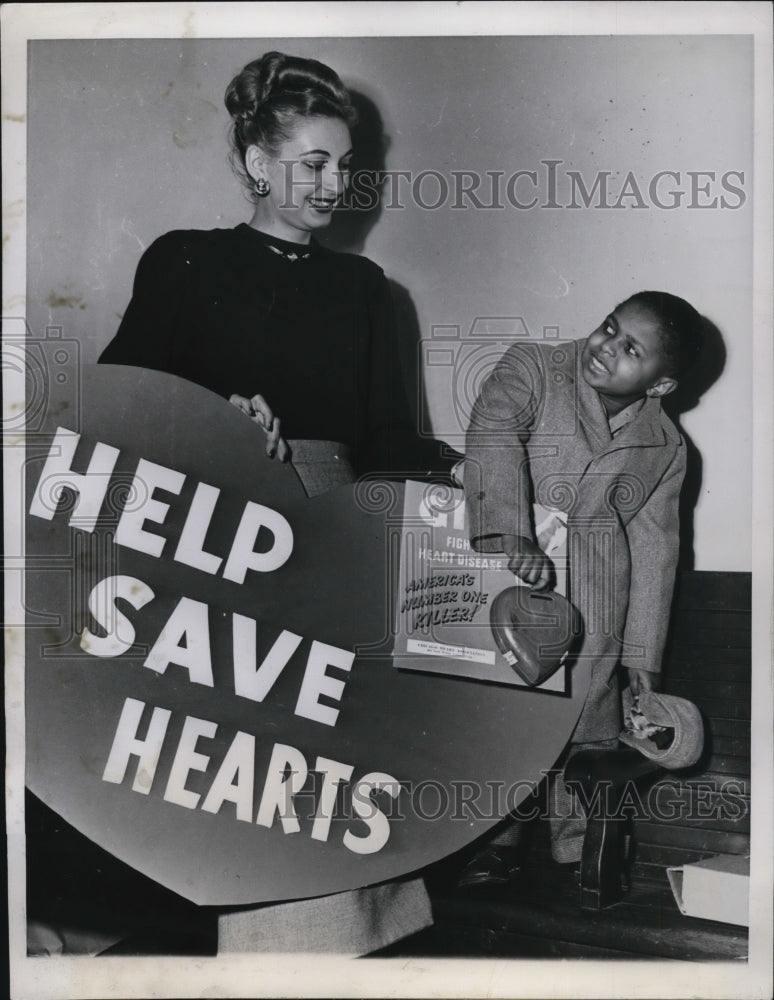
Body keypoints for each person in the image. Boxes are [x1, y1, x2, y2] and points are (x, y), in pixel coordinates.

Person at [99, 50, 433, 955]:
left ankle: (351, 943)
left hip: (337, 529)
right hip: (217, 531)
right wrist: (214, 423)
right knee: (263, 759)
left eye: (347, 163)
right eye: (313, 162)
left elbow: (388, 440)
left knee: (342, 747)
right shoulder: (182, 261)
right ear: (255, 159)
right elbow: (119, 407)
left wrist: (480, 497)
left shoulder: (367, 290)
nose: (336, 183)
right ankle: (274, 952)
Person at [460, 290, 703, 881]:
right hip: (512, 579)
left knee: (587, 722)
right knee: (506, 714)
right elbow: (492, 438)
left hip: (598, 598)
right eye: (608, 327)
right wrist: (509, 535)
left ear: (661, 385)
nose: (605, 349)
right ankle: (496, 841)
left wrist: (643, 661)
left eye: (630, 349)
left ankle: (577, 848)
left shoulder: (668, 447)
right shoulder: (535, 367)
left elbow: (655, 547)